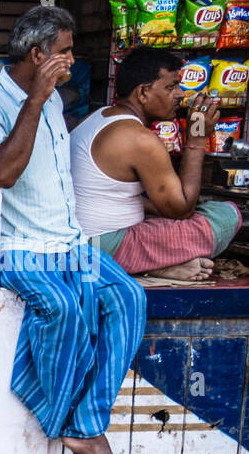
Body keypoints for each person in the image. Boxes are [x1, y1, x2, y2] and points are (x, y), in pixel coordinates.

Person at [0, 5, 145, 454]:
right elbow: (2, 172)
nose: (72, 60)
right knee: (60, 307)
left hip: (68, 244)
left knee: (129, 297)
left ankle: (85, 424)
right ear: (37, 55)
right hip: (18, 248)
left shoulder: (56, 101)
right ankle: (67, 420)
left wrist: (45, 97)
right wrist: (35, 99)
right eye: (63, 52)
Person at [70, 46, 242, 281]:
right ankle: (155, 264)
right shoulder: (139, 139)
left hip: (80, 241)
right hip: (101, 248)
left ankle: (157, 264)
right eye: (171, 87)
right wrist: (197, 138)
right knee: (225, 216)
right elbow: (182, 209)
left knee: (161, 213)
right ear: (142, 93)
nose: (180, 95)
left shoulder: (96, 117)